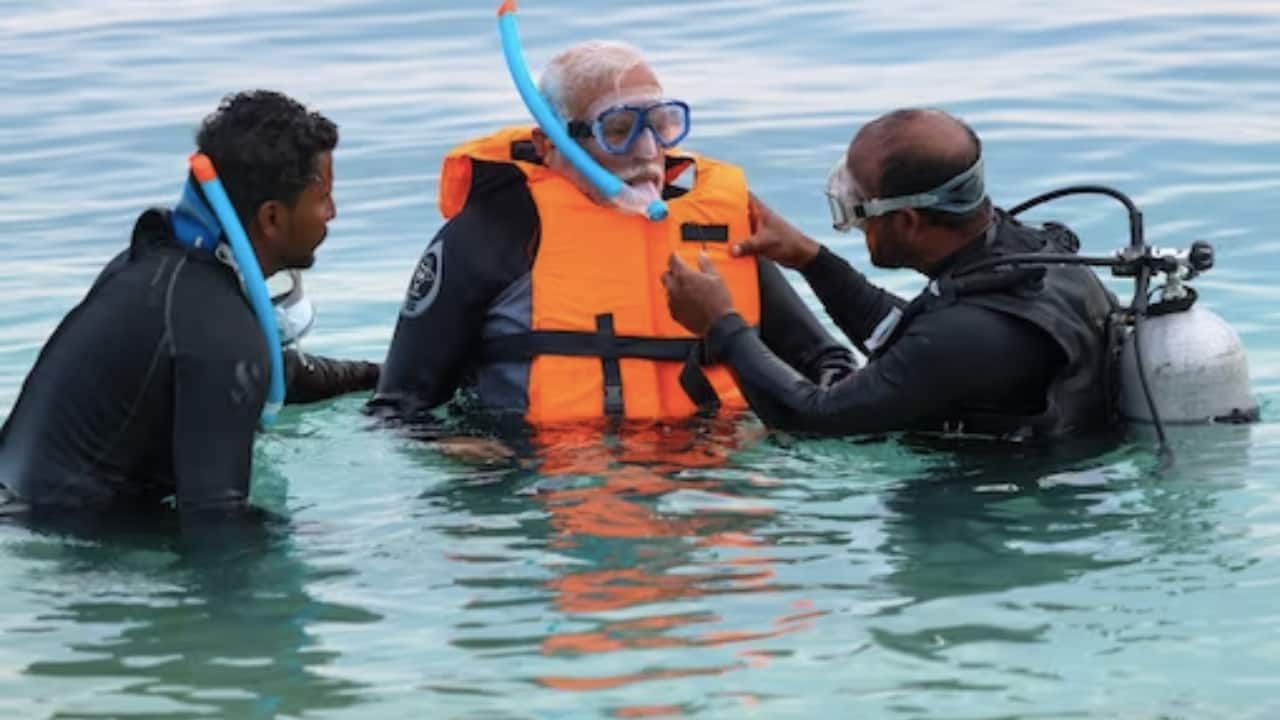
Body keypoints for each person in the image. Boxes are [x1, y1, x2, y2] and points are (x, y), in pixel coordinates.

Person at [368, 41, 853, 427]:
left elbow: (828, 363)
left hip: (709, 487)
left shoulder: (713, 231)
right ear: (548, 143)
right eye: (617, 129)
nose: (648, 150)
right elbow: (397, 409)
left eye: (663, 125)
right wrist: (467, 459)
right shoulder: (491, 233)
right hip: (543, 491)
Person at [0, 90, 379, 514]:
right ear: (272, 217)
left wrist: (374, 375)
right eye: (323, 197)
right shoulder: (221, 328)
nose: (332, 213)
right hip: (66, 541)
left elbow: (261, 370)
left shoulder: (158, 273)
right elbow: (217, 524)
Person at [662, 108, 1121, 440]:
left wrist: (721, 326)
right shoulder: (1031, 257)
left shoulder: (966, 334)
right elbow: (909, 339)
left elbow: (815, 419)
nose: (857, 224)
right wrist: (810, 260)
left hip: (999, 515)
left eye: (857, 209)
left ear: (907, 222)